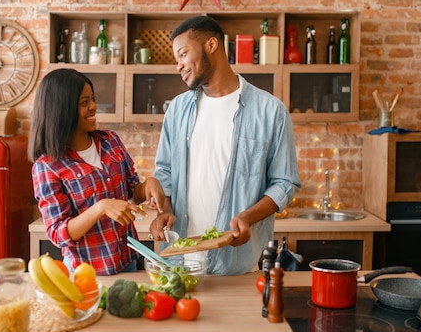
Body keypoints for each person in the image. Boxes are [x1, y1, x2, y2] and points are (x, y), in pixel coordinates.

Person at [150, 16, 301, 275]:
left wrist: (248, 218)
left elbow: (285, 183)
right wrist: (165, 211)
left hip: (238, 265)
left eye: (183, 54)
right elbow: (165, 175)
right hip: (179, 264)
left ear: (211, 45)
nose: (179, 65)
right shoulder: (176, 110)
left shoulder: (270, 111)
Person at [28, 68, 166, 275]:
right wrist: (100, 208)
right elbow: (58, 233)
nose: (94, 106)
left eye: (92, 99)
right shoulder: (47, 166)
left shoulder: (110, 141)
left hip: (127, 262)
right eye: (84, 103)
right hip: (85, 274)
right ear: (61, 109)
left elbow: (131, 192)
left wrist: (148, 185)